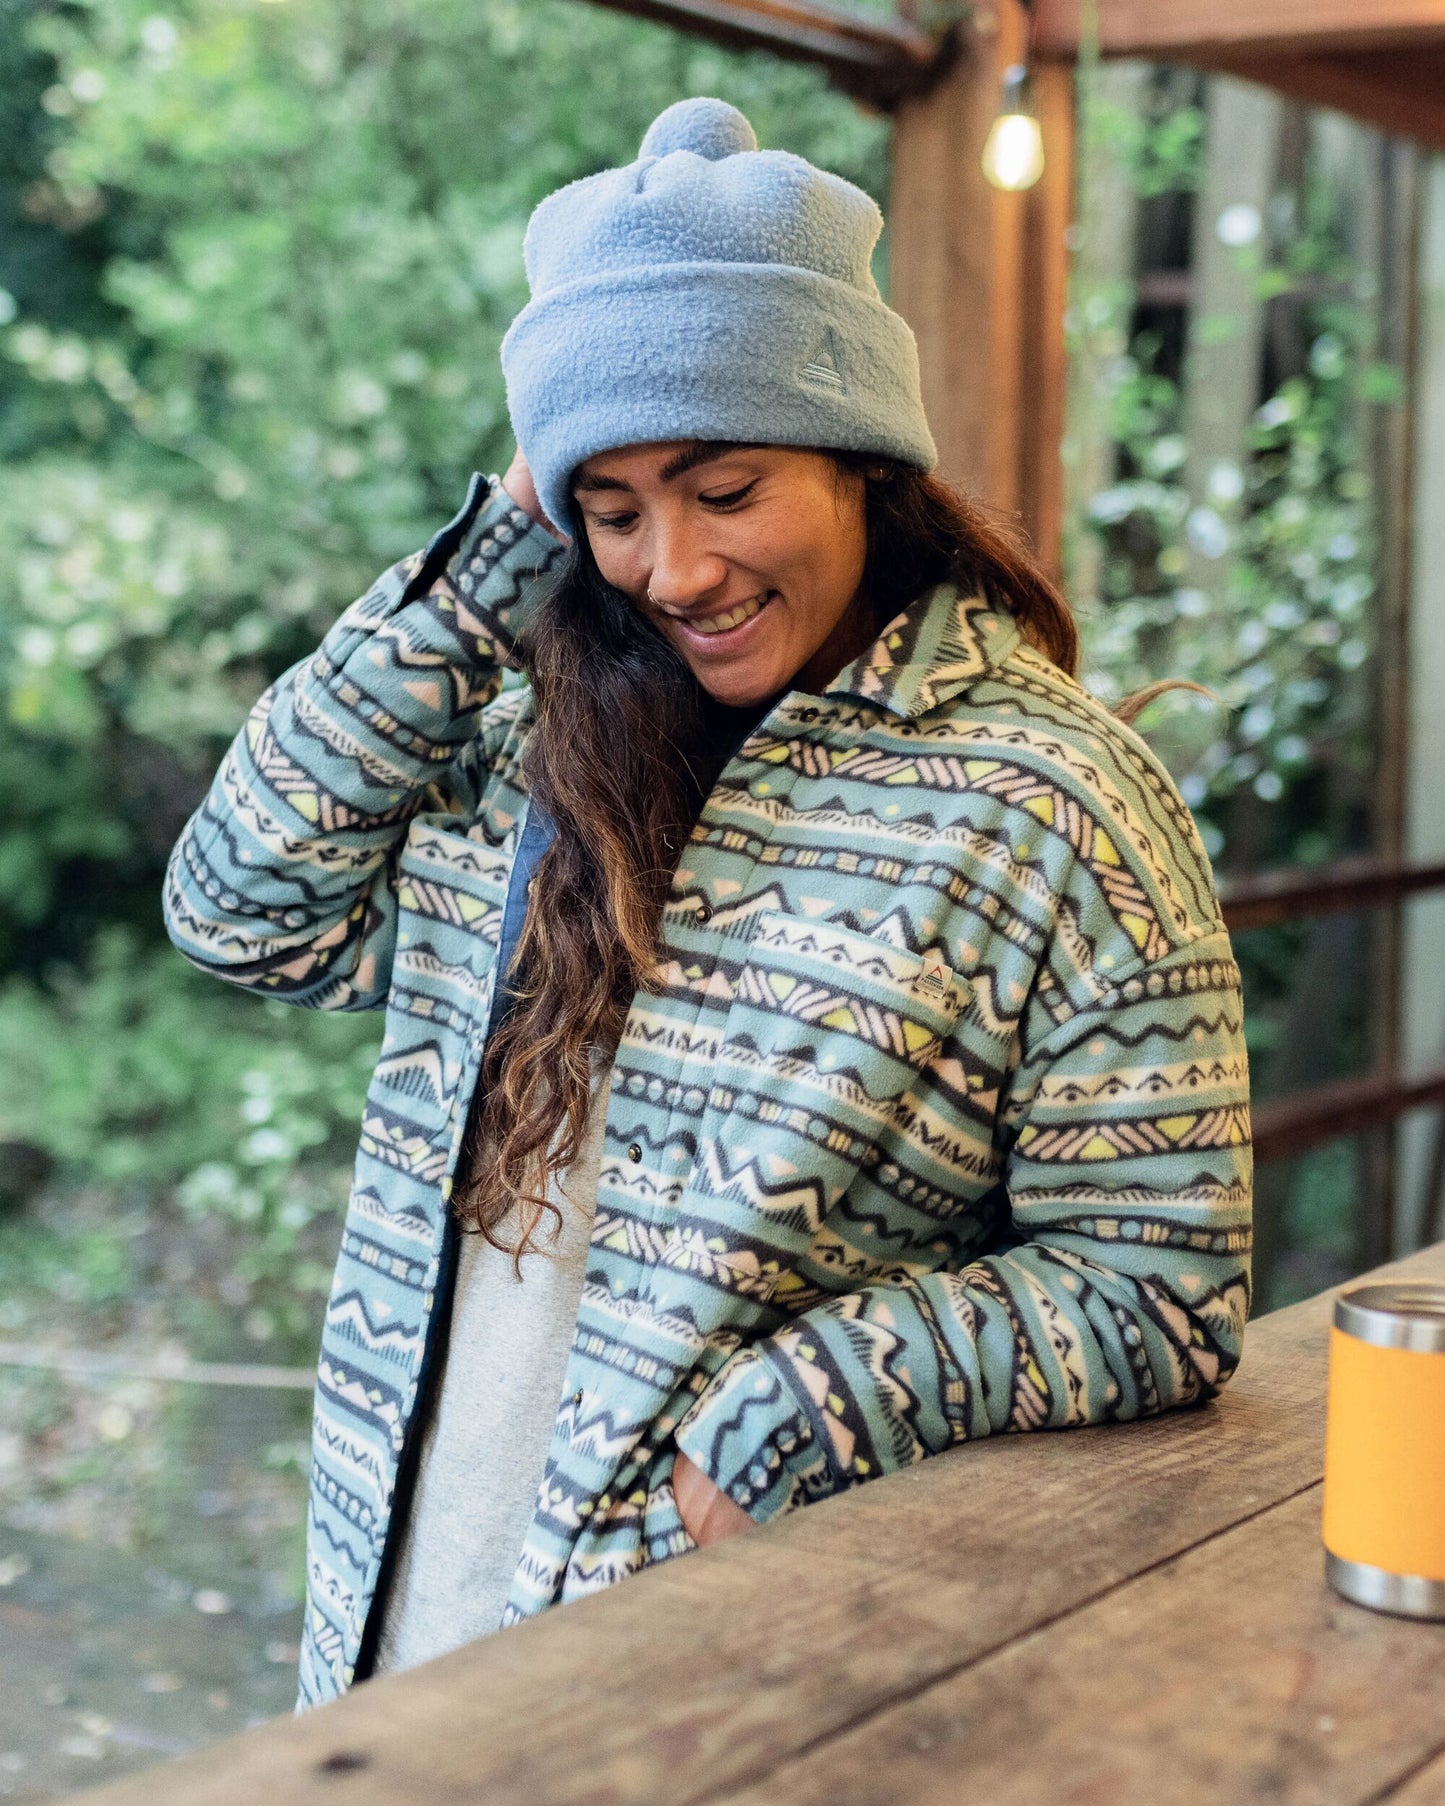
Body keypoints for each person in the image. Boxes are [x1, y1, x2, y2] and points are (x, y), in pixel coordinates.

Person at [163, 97, 1252, 1710]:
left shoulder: (1048, 800)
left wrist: (809, 1402)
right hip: (398, 1625)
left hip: (719, 1658)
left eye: (725, 488)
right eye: (611, 510)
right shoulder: (522, 757)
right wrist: (491, 560)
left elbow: (1156, 1282)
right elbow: (242, 906)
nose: (671, 569)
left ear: (864, 462)